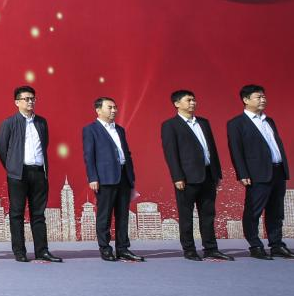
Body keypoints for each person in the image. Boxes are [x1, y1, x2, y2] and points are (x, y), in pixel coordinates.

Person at [160, 90, 231, 261]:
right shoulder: (170, 125)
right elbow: (171, 153)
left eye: (194, 100)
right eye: (189, 100)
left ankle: (211, 248)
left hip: (208, 175)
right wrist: (177, 177)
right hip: (186, 178)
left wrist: (217, 173)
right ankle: (189, 249)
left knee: (208, 215)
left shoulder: (203, 122)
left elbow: (212, 149)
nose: (193, 103)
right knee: (186, 216)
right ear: (177, 103)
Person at [0, 85, 60, 262]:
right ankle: (19, 251)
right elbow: (1, 148)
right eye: (26, 99)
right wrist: (12, 167)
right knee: (17, 213)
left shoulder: (41, 122)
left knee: (38, 214)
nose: (30, 102)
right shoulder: (9, 123)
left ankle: (42, 251)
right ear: (17, 102)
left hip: (39, 173)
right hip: (18, 174)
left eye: (32, 99)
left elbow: (44, 145)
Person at [226, 84, 290, 260]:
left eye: (264, 97)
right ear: (246, 100)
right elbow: (236, 150)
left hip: (277, 170)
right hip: (256, 174)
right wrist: (242, 173)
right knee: (253, 212)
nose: (263, 100)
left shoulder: (269, 121)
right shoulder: (236, 123)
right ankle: (255, 246)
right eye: (258, 97)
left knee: (276, 212)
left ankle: (276, 245)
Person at [82, 97, 143, 262]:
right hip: (105, 178)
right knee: (105, 215)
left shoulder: (120, 129)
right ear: (98, 110)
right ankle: (105, 248)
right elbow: (89, 156)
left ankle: (123, 249)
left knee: (123, 215)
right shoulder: (91, 130)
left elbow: (127, 154)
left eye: (115, 107)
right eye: (110, 107)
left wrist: (131, 176)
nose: (114, 110)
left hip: (123, 176)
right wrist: (93, 177)